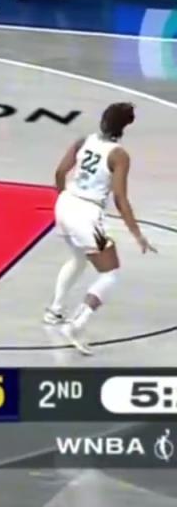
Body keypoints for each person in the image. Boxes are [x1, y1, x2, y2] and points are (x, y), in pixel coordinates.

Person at [47, 103, 154, 352]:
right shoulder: (119, 155)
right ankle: (76, 325)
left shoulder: (83, 141)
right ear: (126, 126)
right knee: (110, 273)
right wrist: (137, 234)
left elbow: (60, 172)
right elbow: (120, 199)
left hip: (65, 204)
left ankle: (55, 310)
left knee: (78, 258)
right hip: (86, 214)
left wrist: (64, 197)